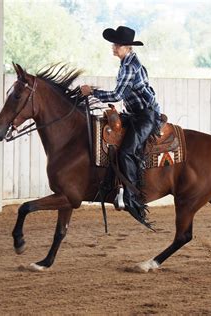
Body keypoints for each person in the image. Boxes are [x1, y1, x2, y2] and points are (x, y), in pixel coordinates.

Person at [80, 26, 160, 228]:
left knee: (126, 151)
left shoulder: (129, 67)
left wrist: (92, 92)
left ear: (126, 47)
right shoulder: (128, 63)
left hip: (145, 116)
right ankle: (116, 188)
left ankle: (134, 196)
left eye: (116, 45)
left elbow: (117, 95)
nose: (113, 48)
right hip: (135, 114)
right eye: (114, 45)